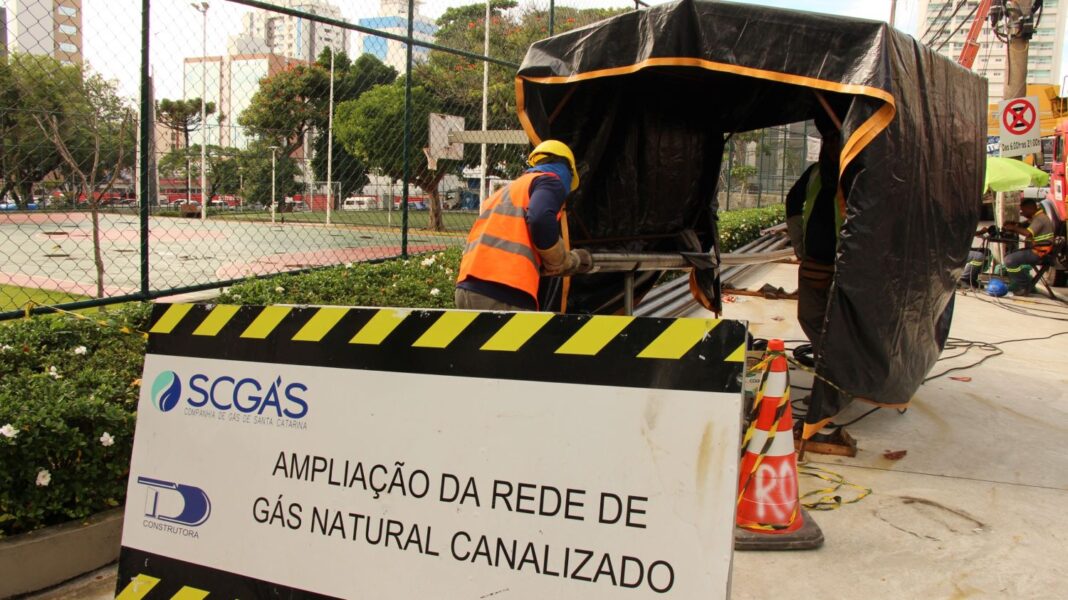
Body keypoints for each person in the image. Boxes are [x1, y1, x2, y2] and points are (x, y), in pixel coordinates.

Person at [455, 140, 591, 311]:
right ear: (567, 171)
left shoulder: (508, 191)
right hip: (504, 291)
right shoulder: (549, 181)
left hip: (468, 288)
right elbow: (540, 218)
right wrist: (559, 260)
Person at [1000, 197, 1055, 295]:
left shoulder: (1040, 218)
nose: (1022, 213)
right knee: (1010, 255)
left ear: (1030, 209)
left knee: (1009, 260)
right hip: (1037, 250)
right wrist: (1015, 225)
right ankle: (1024, 283)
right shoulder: (1036, 217)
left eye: (1023, 211)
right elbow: (1025, 225)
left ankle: (1025, 285)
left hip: (1040, 252)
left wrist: (1013, 228)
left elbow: (1027, 233)